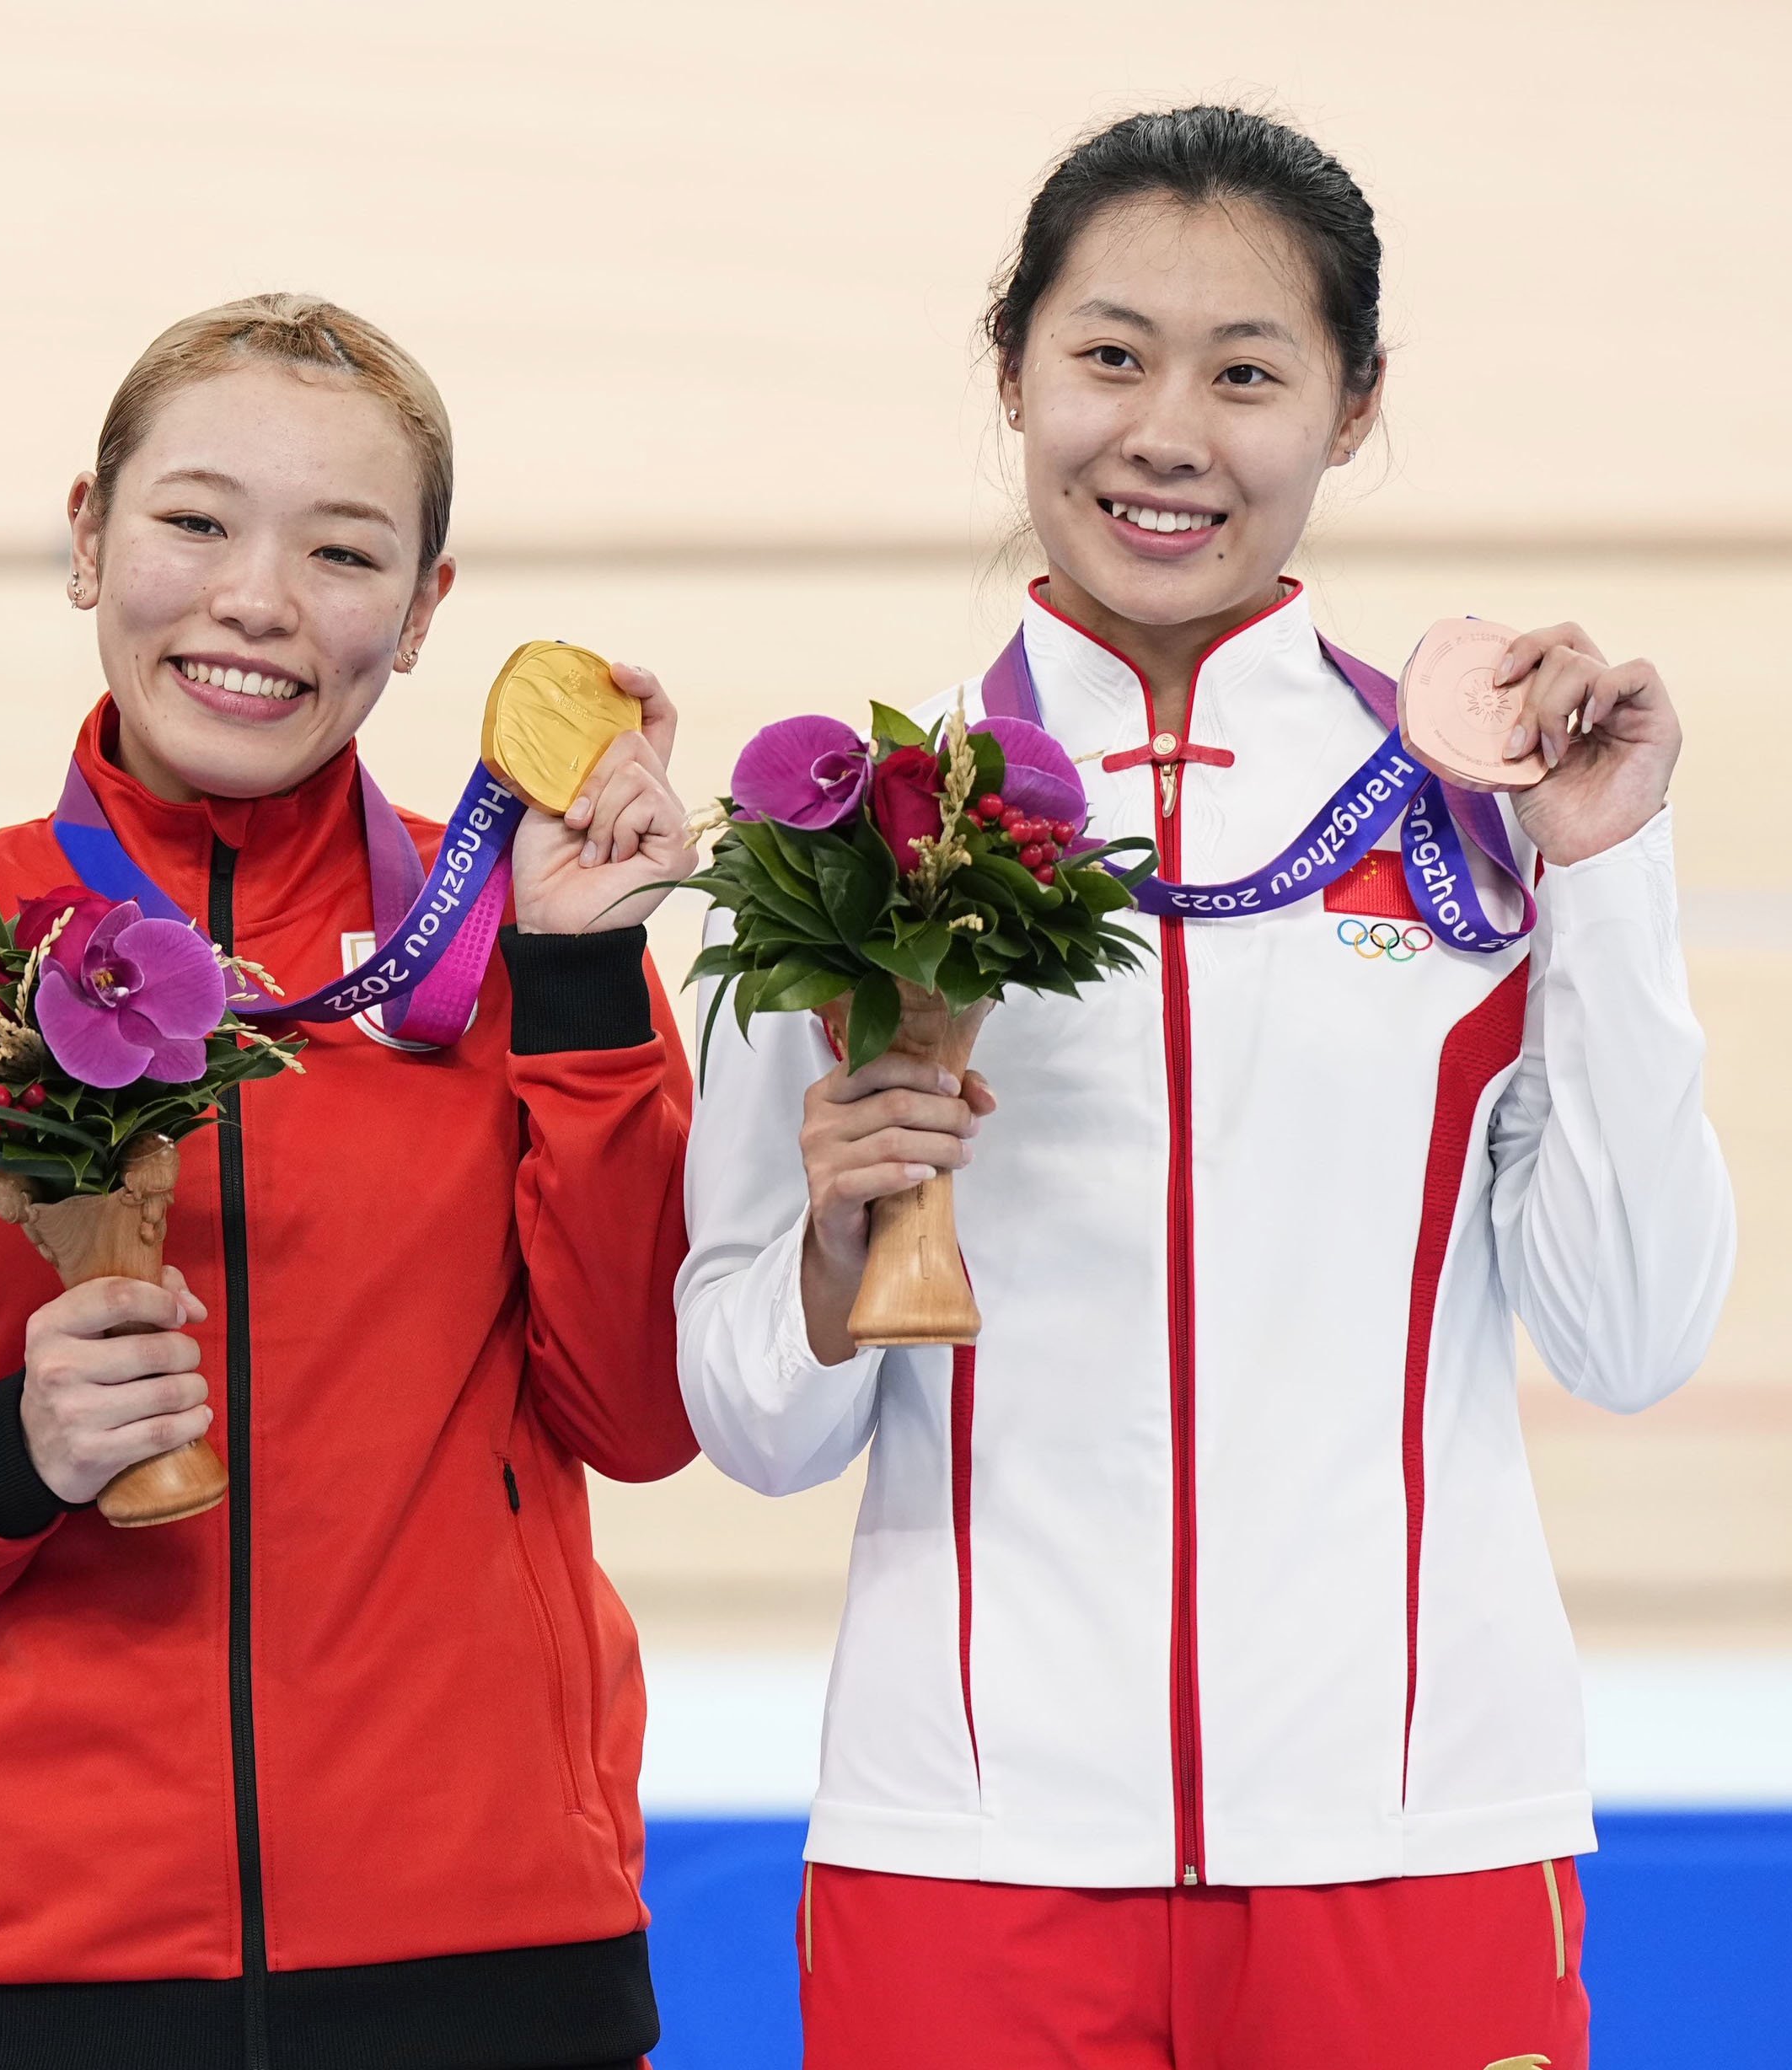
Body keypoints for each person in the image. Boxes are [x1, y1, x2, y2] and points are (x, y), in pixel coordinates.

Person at [677, 105, 1736, 2068]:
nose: (1167, 431)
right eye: (1108, 355)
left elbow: (1636, 1329)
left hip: (1418, 1837)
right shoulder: (837, 856)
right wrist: (832, 1247)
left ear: (1352, 409)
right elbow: (752, 1422)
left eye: (1247, 371)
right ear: (1011, 372)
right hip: (966, 1854)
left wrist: (1607, 867)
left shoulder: (1485, 834)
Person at [0, 293, 700, 2067]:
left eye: (342, 551)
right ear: (89, 536)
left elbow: (640, 1412)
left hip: (497, 1955)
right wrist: (6, 1450)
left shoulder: (511, 956)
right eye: (195, 520)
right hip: (56, 1971)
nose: (258, 599)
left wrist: (579, 978)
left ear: (421, 614)